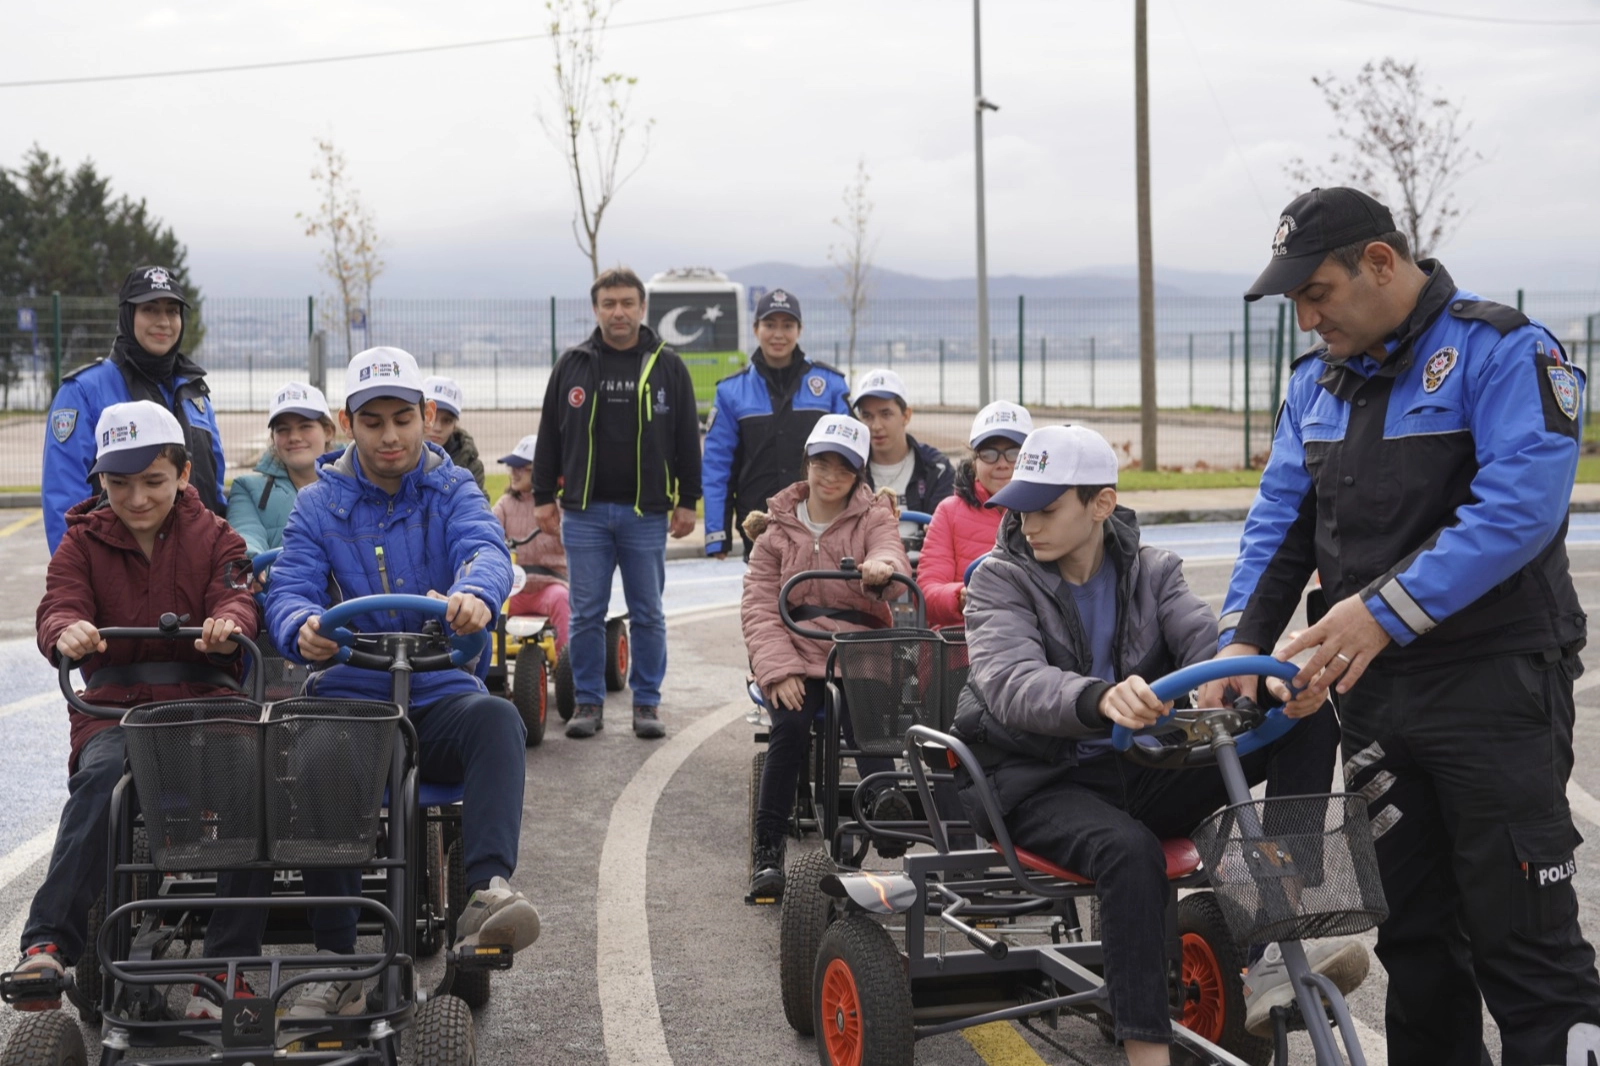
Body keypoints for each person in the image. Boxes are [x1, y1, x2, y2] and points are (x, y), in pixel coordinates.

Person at [1207, 186, 1600, 1064]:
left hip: (1496, 686)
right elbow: (1280, 521)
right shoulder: (1316, 384)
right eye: (1295, 303)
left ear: (1380, 262)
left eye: (1317, 294)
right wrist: (1240, 636)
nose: (1307, 319)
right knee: (1418, 942)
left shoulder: (1502, 350)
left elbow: (1519, 510)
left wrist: (1379, 612)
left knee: (1526, 942)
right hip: (1380, 700)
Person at [950, 424, 1365, 1064]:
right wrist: (1099, 697)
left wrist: (1268, 693)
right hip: (1036, 780)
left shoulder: (1153, 571)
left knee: (1308, 717)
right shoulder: (999, 580)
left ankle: (1276, 922)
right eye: (1021, 507)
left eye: (1046, 506)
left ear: (1102, 504)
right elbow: (1012, 682)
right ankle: (1145, 1051)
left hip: (1135, 766)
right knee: (1129, 851)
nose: (1028, 522)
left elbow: (1211, 655)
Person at [255, 346, 538, 1018]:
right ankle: (336, 958)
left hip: (438, 685)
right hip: (354, 691)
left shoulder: (456, 489)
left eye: (403, 419)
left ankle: (485, 893)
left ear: (427, 416)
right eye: (373, 420)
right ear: (348, 423)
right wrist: (302, 625)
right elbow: (289, 587)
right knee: (319, 754)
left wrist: (474, 591)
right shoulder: (319, 504)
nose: (390, 436)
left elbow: (484, 550)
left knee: (499, 719)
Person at [13, 401, 256, 1012]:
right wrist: (65, 630)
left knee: (251, 784)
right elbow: (58, 605)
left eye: (152, 481)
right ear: (101, 482)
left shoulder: (217, 536)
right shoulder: (81, 543)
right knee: (100, 782)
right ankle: (47, 944)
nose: (137, 498)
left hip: (205, 705)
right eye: (119, 484)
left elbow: (237, 594)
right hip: (116, 710)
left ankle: (229, 964)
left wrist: (229, 621)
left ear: (182, 475)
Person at [740, 415, 910, 899]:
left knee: (869, 720)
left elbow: (891, 556)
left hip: (858, 650)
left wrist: (883, 569)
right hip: (796, 648)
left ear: (859, 475)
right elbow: (758, 606)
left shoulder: (874, 516)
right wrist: (778, 670)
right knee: (790, 727)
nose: (830, 476)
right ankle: (767, 851)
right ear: (807, 463)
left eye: (844, 468)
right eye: (822, 464)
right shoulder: (776, 531)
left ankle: (885, 803)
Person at [532, 266, 702, 741]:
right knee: (586, 612)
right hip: (584, 514)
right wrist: (544, 496)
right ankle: (588, 702)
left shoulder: (668, 365)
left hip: (645, 514)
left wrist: (687, 500)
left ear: (642, 308)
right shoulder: (573, 364)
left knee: (648, 612)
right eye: (609, 304)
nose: (619, 312)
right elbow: (549, 433)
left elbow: (688, 438)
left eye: (627, 303)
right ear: (596, 309)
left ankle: (646, 704)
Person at [42, 266, 227, 553]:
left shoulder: (194, 392)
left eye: (173, 311)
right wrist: (78, 578)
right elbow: (63, 501)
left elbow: (213, 490)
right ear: (128, 316)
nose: (164, 321)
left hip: (197, 569)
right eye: (150, 309)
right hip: (118, 575)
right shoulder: (83, 392)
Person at [701, 289, 851, 560]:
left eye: (788, 325)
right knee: (764, 602)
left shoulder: (830, 385)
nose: (778, 334)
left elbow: (855, 458)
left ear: (800, 329)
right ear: (756, 328)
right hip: (759, 524)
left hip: (825, 521)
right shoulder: (730, 391)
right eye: (770, 325)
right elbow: (717, 466)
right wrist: (716, 534)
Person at [918, 400, 1032, 628]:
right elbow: (926, 593)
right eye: (989, 453)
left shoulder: (1047, 510)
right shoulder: (949, 512)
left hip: (1033, 642)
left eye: (1014, 453)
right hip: (960, 646)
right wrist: (959, 596)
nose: (1002, 464)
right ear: (974, 462)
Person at [226, 382, 337, 557]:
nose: (294, 437)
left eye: (305, 426)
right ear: (273, 438)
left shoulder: (358, 480)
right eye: (283, 429)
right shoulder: (247, 489)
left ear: (328, 431)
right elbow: (245, 532)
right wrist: (250, 558)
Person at [851, 368, 954, 537]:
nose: (876, 426)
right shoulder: (849, 470)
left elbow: (945, 535)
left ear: (906, 416)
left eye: (885, 414)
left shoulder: (937, 470)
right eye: (867, 415)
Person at [494, 433, 569, 650]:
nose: (513, 473)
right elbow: (488, 528)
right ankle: (487, 660)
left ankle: (566, 664)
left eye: (521, 468)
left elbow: (576, 538)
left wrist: (558, 531)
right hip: (515, 590)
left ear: (543, 470)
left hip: (550, 585)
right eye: (512, 468)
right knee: (489, 603)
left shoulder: (559, 505)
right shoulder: (506, 504)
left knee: (562, 600)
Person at [422, 376, 485, 491]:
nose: (437, 428)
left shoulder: (471, 466)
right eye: (431, 417)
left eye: (447, 420)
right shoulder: (394, 455)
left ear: (454, 424)